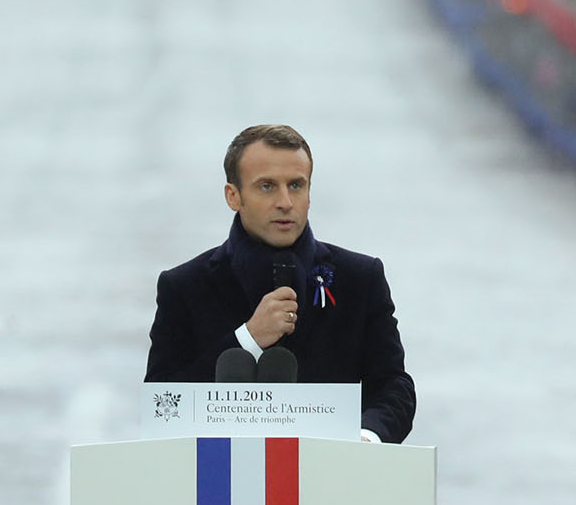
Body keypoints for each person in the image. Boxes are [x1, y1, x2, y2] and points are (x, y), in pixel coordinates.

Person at [145, 124, 415, 443]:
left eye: (296, 185)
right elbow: (162, 405)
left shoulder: (359, 277)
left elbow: (392, 385)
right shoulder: (184, 286)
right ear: (234, 195)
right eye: (267, 187)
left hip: (333, 478)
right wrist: (247, 339)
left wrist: (366, 437)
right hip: (221, 480)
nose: (285, 202)